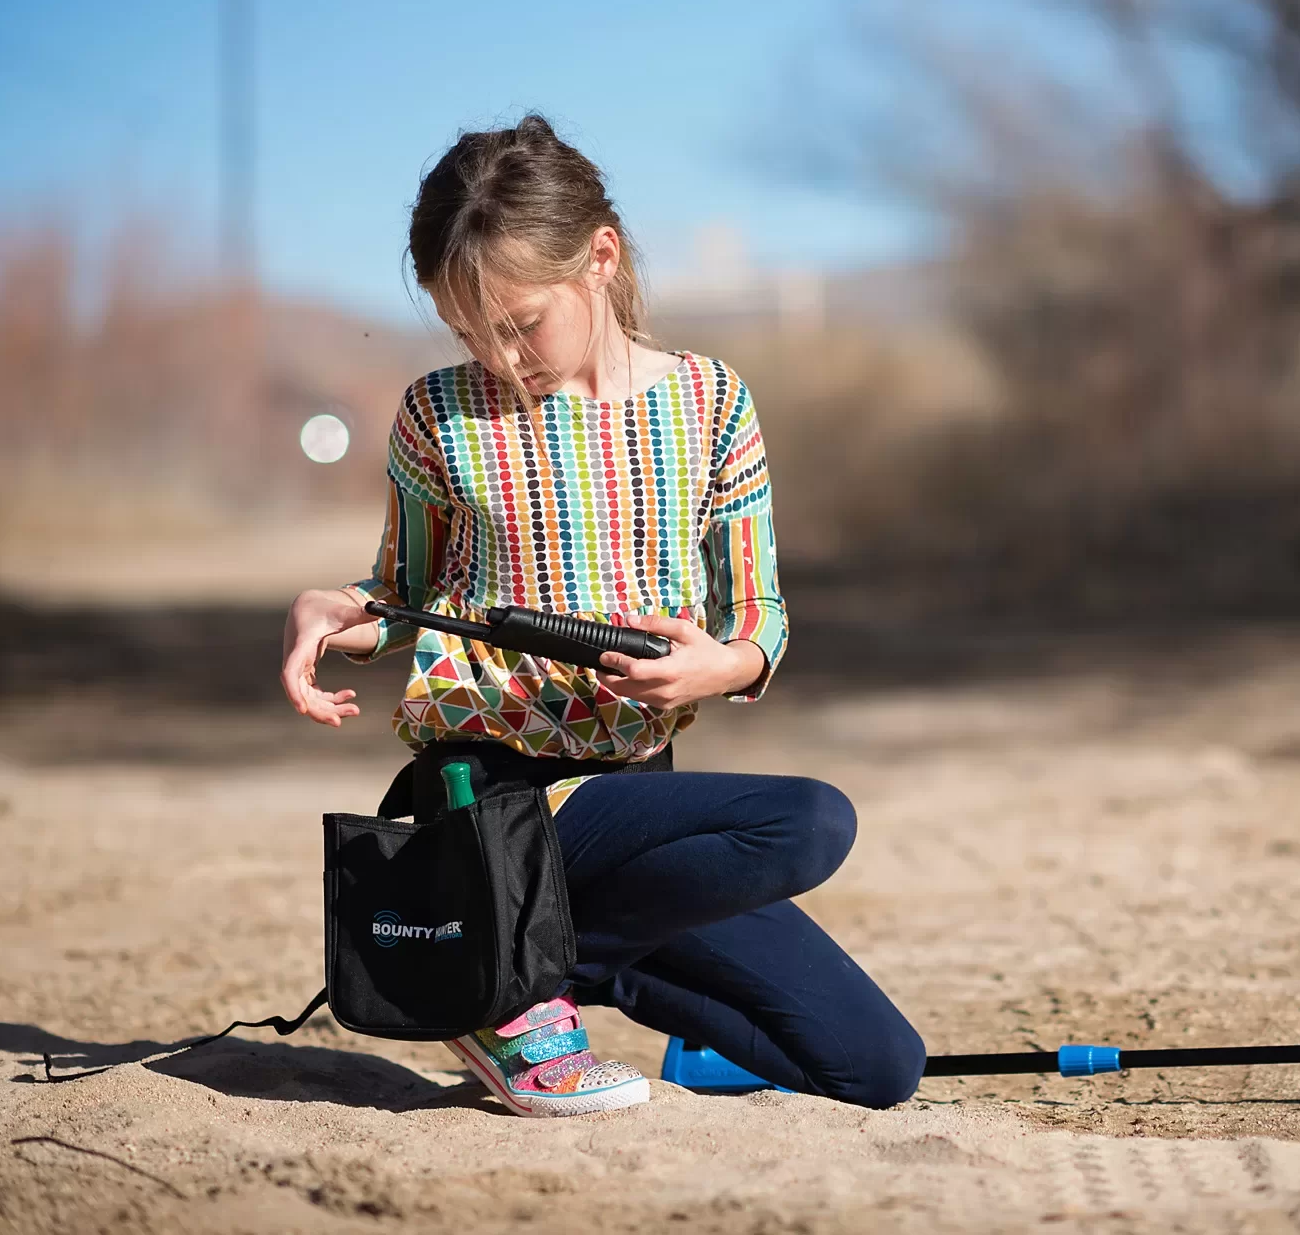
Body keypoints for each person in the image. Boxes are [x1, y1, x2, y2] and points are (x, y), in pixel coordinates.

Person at [277, 114, 924, 1117]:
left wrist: (728, 665)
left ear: (600, 257)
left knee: (876, 1067)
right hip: (491, 801)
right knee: (807, 818)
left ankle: (523, 967)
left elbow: (758, 609)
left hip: (628, 823)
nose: (498, 353)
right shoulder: (435, 415)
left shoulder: (712, 402)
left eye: (519, 321)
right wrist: (340, 615)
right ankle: (508, 990)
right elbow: (401, 600)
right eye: (466, 331)